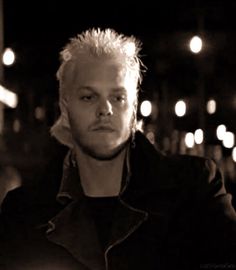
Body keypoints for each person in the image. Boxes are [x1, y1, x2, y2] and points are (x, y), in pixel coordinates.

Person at [1, 27, 236, 270]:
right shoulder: (23, 214)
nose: (105, 109)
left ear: (133, 110)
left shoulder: (195, 190)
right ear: (65, 109)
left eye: (118, 97)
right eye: (88, 97)